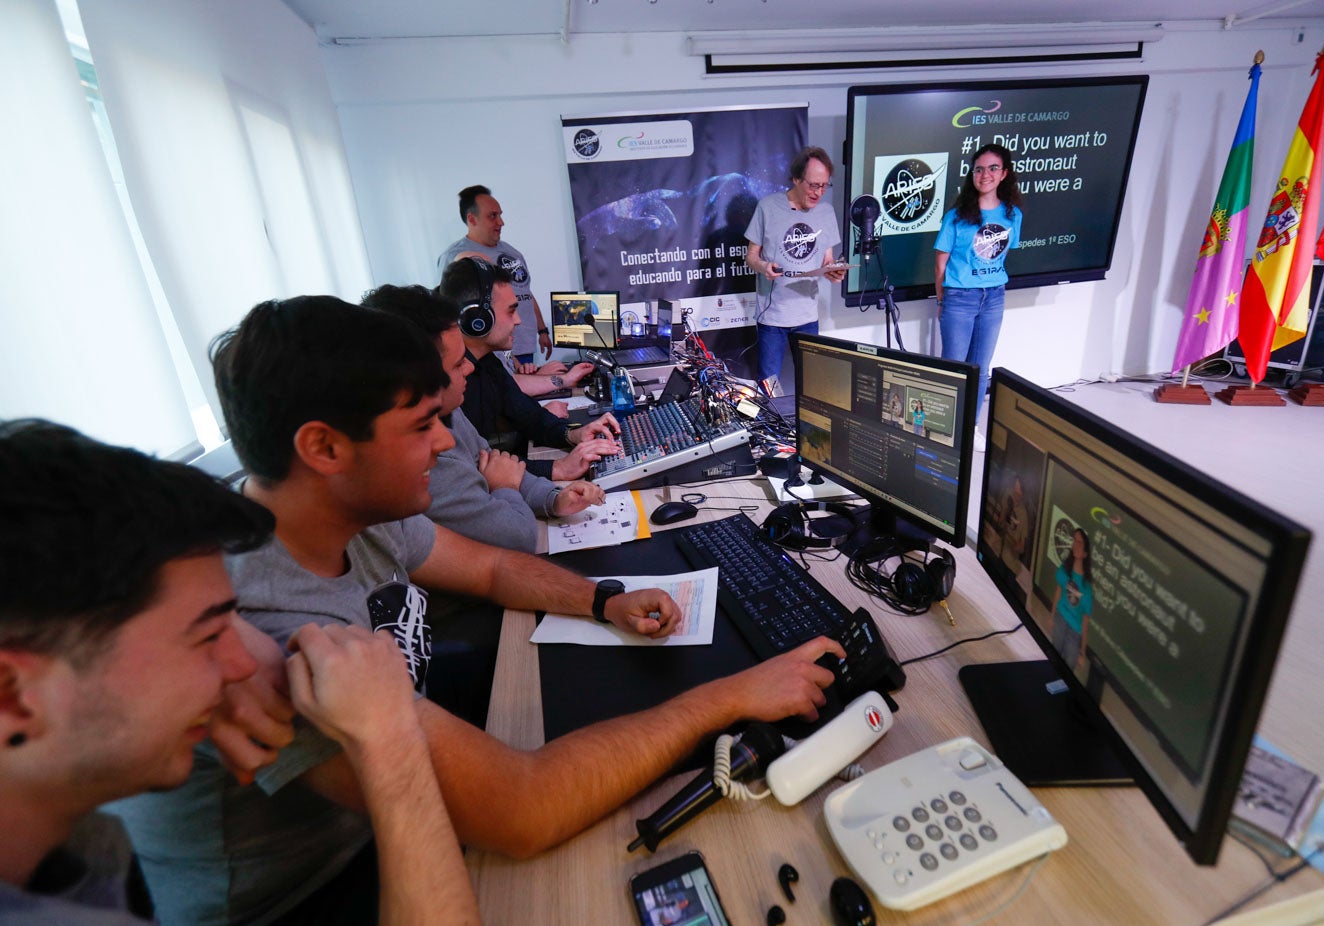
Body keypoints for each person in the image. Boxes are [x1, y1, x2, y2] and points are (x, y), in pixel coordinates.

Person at [113, 296, 843, 925]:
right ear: (324, 447)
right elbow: (523, 809)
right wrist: (731, 696)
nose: (445, 443)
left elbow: (490, 567)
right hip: (311, 897)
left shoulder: (349, 510)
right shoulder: (270, 634)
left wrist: (602, 599)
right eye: (421, 426)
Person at [0, 421, 477, 925]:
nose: (245, 665)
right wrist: (388, 738)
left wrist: (226, 627)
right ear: (15, 694)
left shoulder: (71, 838)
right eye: (206, 637)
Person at [361, 284, 603, 553]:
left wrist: (554, 498)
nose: (468, 367)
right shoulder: (428, 457)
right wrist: (507, 487)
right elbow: (518, 537)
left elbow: (496, 462)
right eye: (456, 364)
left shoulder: (451, 408)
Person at [441, 257, 621, 481]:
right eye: (510, 311)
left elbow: (528, 416)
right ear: (478, 319)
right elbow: (478, 466)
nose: (518, 320)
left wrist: (575, 434)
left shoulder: (487, 363)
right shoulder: (448, 383)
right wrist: (558, 468)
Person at [933, 144, 1025, 427]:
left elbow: (1003, 254)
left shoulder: (1012, 216)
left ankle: (969, 427)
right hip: (959, 297)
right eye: (979, 169)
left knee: (981, 369)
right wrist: (941, 301)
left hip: (995, 297)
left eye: (993, 168)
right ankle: (948, 431)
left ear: (1004, 174)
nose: (985, 174)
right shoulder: (956, 216)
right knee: (954, 369)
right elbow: (939, 265)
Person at [745, 146, 847, 386]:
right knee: (768, 387)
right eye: (813, 185)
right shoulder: (768, 207)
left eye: (824, 186)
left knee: (813, 385)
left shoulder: (826, 212)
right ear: (796, 179)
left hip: (808, 316)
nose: (819, 192)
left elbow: (828, 261)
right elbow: (751, 256)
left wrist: (834, 272)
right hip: (773, 317)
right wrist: (764, 267)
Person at [438, 184, 551, 368]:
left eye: (500, 214)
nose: (501, 222)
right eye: (493, 216)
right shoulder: (456, 257)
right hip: (492, 351)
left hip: (524, 344)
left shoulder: (512, 252)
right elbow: (449, 310)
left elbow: (525, 291)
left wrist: (542, 330)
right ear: (472, 219)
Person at [1050, 528, 1094, 668]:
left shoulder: (1087, 587)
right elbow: (1058, 591)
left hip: (1075, 631)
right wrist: (1052, 616)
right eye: (1075, 540)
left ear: (1085, 553)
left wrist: (1082, 651)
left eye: (1080, 542)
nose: (1076, 544)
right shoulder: (1065, 569)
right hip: (1061, 619)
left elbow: (1085, 620)